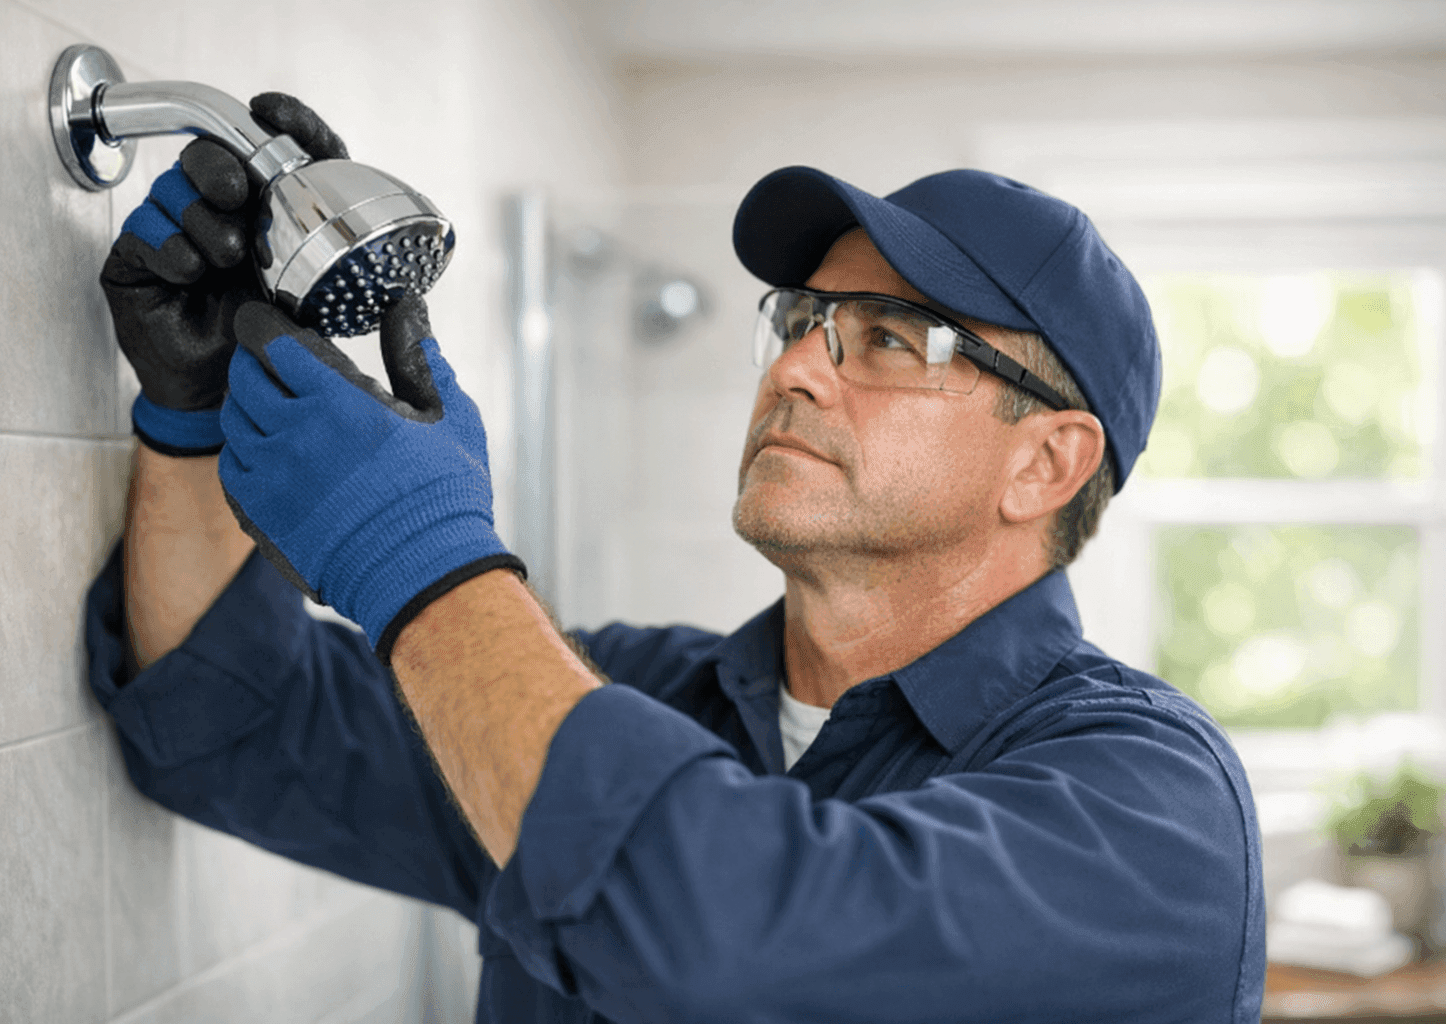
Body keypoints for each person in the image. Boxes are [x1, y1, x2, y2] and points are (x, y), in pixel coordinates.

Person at [86, 95, 1265, 1023]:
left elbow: (732, 952)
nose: (796, 369)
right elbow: (232, 725)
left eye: (894, 339)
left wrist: (424, 558)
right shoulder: (626, 698)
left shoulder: (1149, 814)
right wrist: (195, 410)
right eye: (803, 321)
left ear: (1048, 464)